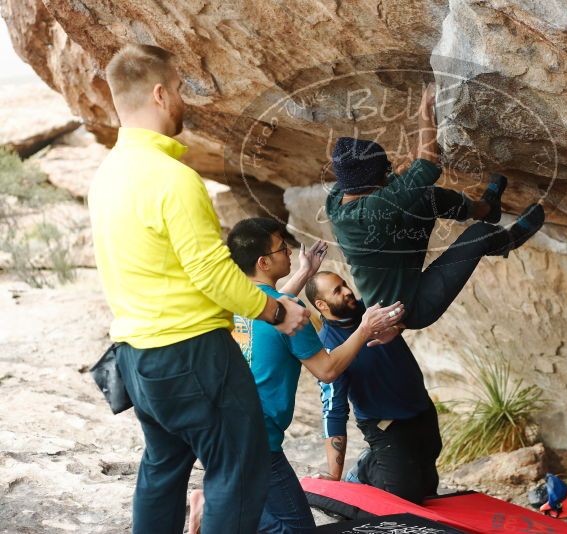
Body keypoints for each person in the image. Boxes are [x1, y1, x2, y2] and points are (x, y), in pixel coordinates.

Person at [88, 44, 310, 534]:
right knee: (240, 469)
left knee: (162, 471)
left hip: (136, 358)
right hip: (192, 354)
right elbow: (212, 274)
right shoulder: (173, 178)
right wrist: (276, 314)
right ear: (161, 93)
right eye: (182, 89)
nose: (185, 100)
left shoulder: (104, 178)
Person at [188, 218, 405, 534]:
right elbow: (327, 370)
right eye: (280, 248)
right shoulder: (288, 309)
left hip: (219, 428)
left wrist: (304, 272)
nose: (289, 251)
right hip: (254, 438)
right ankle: (214, 510)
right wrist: (364, 328)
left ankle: (214, 505)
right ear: (264, 262)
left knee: (277, 515)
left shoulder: (236, 300)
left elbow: (270, 307)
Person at [326, 83, 546, 330]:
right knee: (479, 235)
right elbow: (427, 165)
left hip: (398, 250)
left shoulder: (339, 195)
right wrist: (425, 108)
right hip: (410, 307)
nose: (387, 174)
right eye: (382, 173)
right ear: (368, 185)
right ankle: (511, 239)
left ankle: (487, 208)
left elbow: (404, 168)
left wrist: (406, 160)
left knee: (425, 198)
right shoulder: (369, 214)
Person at [305, 271, 441, 504]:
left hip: (420, 407)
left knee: (428, 487)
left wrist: (399, 324)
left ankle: (389, 466)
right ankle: (364, 470)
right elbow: (334, 409)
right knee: (405, 496)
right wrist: (333, 474)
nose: (348, 291)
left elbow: (409, 307)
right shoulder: (328, 345)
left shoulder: (369, 308)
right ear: (321, 304)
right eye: (337, 291)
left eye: (344, 284)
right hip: (384, 424)